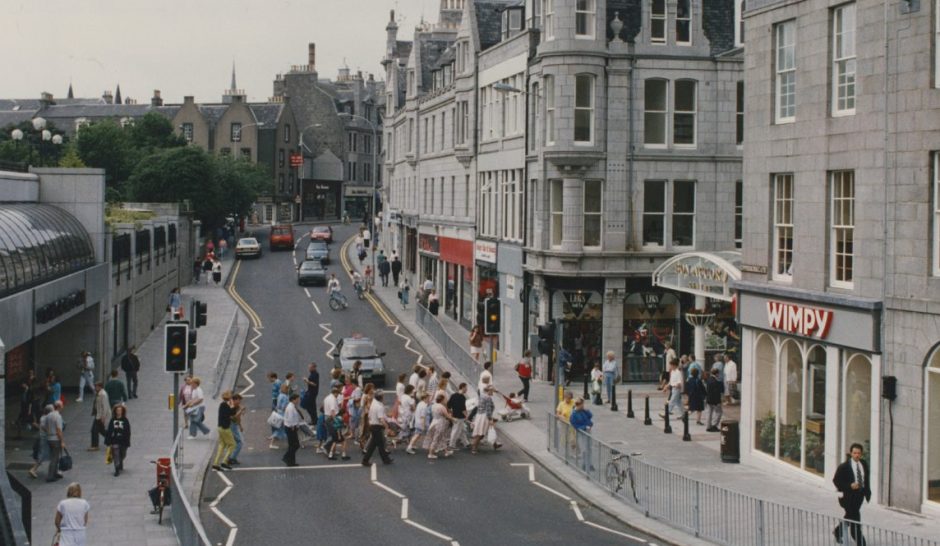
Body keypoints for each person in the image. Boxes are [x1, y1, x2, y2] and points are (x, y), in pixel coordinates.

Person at [833, 443, 871, 545]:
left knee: (850, 516)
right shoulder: (844, 467)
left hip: (860, 496)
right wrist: (849, 486)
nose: (857, 455)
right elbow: (836, 481)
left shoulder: (863, 464)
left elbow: (866, 479)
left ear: (861, 454)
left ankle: (837, 531)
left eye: (859, 453)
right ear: (851, 453)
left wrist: (867, 491)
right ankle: (861, 542)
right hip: (849, 497)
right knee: (855, 521)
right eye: (854, 453)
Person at [362, 390, 394, 465]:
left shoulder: (374, 402)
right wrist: (387, 427)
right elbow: (381, 419)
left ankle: (367, 460)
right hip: (377, 427)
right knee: (380, 445)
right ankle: (385, 460)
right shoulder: (379, 406)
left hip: (373, 425)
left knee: (374, 445)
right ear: (381, 397)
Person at [470, 385, 501, 454]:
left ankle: (495, 444)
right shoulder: (488, 398)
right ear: (489, 391)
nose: (493, 393)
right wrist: (490, 419)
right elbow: (488, 410)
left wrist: (495, 390)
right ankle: (474, 448)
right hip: (484, 417)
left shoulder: (482, 395)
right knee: (481, 433)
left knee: (485, 431)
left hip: (479, 415)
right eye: (492, 391)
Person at [211, 391, 236, 471]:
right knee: (232, 444)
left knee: (222, 445)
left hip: (220, 427)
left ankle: (215, 463)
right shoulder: (225, 405)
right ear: (229, 397)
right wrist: (232, 405)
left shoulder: (222, 405)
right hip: (225, 428)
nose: (232, 397)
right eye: (231, 396)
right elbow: (232, 413)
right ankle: (224, 462)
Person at [104, 404, 131, 476]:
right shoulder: (112, 420)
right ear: (115, 411)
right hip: (115, 440)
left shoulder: (125, 420)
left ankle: (120, 461)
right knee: (116, 454)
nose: (119, 412)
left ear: (122, 411)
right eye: (117, 410)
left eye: (120, 410)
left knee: (122, 454)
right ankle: (117, 468)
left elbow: (128, 432)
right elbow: (109, 431)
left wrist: (127, 441)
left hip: (123, 441)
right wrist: (108, 441)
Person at [425, 393, 455, 459]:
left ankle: (446, 451)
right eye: (444, 399)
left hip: (434, 421)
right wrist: (454, 419)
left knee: (441, 437)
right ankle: (430, 453)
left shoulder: (433, 405)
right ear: (442, 400)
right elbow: (447, 416)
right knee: (437, 438)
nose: (445, 400)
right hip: (440, 423)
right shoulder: (442, 407)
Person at [569, 398, 594, 472]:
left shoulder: (583, 411)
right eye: (582, 404)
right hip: (581, 433)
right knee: (584, 449)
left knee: (589, 448)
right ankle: (584, 464)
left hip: (588, 431)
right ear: (578, 405)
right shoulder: (573, 415)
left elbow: (590, 416)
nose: (583, 406)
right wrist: (585, 427)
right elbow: (575, 426)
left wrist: (586, 410)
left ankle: (589, 464)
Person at [28, 404, 53, 479]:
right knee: (43, 455)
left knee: (52, 454)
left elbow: (41, 427)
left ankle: (56, 470)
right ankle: (33, 469)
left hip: (44, 438)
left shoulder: (43, 417)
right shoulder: (46, 418)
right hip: (45, 439)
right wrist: (50, 432)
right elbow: (43, 427)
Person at [44, 403, 66, 482]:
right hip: (55, 439)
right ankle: (50, 476)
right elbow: (59, 430)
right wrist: (62, 441)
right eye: (62, 406)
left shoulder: (48, 415)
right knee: (55, 458)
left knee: (53, 456)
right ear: (59, 407)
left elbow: (44, 427)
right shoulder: (58, 416)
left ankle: (55, 472)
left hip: (49, 438)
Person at [282, 393, 303, 467]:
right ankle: (286, 457)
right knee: (295, 445)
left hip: (291, 427)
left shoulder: (292, 406)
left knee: (292, 445)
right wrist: (293, 426)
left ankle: (291, 461)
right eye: (297, 399)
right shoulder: (291, 407)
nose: (298, 400)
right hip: (291, 428)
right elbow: (290, 418)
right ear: (294, 399)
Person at [89, 383, 111, 451]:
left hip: (100, 416)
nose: (95, 388)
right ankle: (112, 440)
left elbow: (105, 406)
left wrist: (103, 417)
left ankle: (95, 445)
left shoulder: (102, 394)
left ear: (100, 387)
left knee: (94, 430)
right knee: (101, 430)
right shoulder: (99, 393)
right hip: (98, 415)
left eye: (96, 386)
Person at [447, 383, 469, 450]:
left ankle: (466, 443)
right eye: (466, 388)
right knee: (455, 431)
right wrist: (467, 415)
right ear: (462, 387)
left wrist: (451, 412)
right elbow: (463, 408)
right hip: (460, 417)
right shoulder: (462, 397)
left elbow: (448, 405)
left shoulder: (453, 395)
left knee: (462, 430)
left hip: (454, 415)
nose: (467, 389)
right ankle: (451, 445)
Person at [228, 394, 245, 465]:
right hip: (231, 425)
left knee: (234, 442)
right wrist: (241, 411)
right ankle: (231, 458)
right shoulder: (231, 407)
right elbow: (234, 417)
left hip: (234, 425)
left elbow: (238, 417)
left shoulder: (235, 406)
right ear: (234, 400)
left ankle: (232, 457)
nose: (240, 401)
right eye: (238, 400)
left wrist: (240, 426)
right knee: (240, 442)